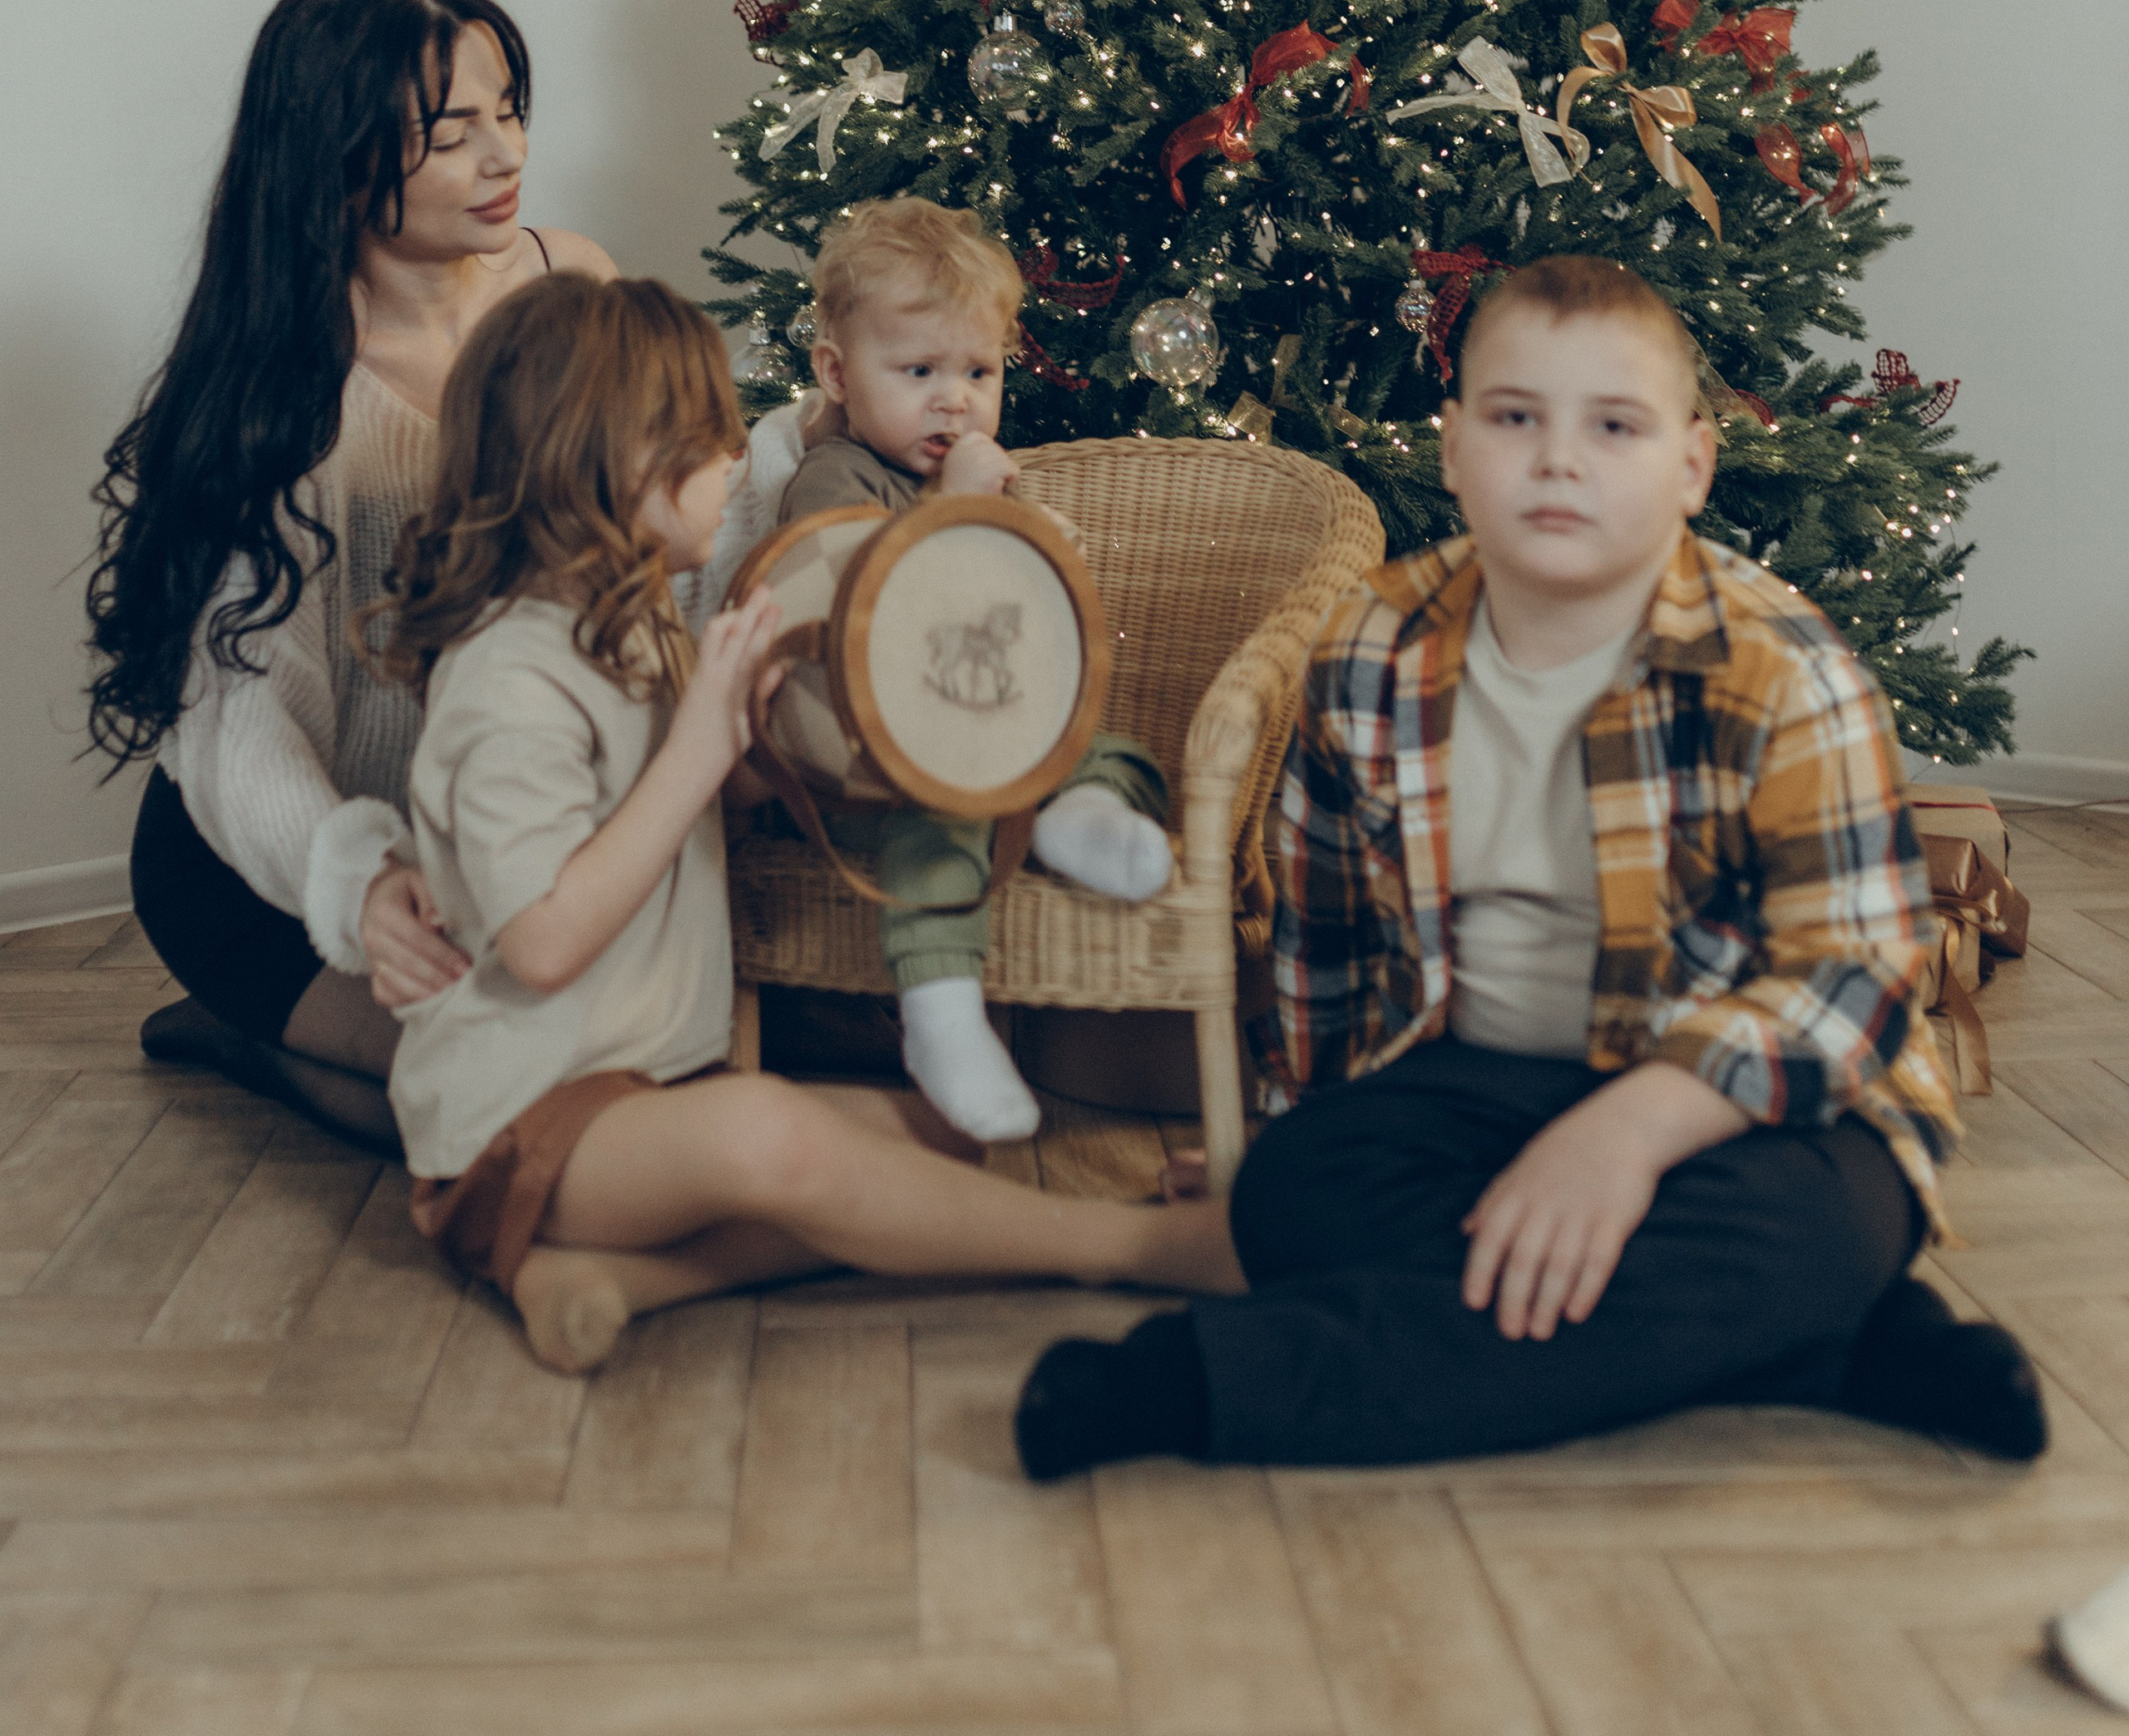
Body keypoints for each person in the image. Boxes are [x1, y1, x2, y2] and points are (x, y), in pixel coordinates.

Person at [1014, 254, 2047, 1478]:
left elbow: (1854, 984)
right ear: (1454, 451)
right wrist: (1287, 1126)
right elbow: (1324, 943)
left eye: (1614, 426)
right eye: (1516, 418)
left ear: (1691, 466)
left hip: (1733, 1106)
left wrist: (1624, 1139)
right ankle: (1823, 1350)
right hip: (1478, 1088)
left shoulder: (1782, 668)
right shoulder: (1372, 649)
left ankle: (1219, 1382)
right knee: (1295, 1196)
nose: (1560, 459)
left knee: (1833, 1221)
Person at [380, 271, 1242, 1376]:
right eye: (704, 443)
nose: (735, 462)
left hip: (651, 1088)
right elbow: (542, 942)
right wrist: (697, 752)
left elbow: (717, 804)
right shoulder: (508, 680)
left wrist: (765, 725)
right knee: (771, 1141)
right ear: (609, 466)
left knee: (949, 1138)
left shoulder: (627, 617)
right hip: (520, 1123)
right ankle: (1131, 1249)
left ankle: (610, 1276)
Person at [85, 0, 614, 1151]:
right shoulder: (287, 402)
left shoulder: (570, 284)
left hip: (488, 837)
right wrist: (360, 886)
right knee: (482, 1108)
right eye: (448, 132)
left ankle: (267, 1039)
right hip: (277, 863)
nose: (503, 157)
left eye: (508, 112)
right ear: (337, 156)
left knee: (601, 1067)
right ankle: (251, 1027)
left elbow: (685, 515)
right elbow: (244, 718)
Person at [741, 198, 1173, 1144]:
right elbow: (870, 627)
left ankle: (1073, 817)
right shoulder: (834, 479)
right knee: (940, 814)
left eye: (978, 371)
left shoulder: (973, 473)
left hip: (976, 734)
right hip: (865, 777)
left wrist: (1037, 557)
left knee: (1113, 753)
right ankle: (940, 1016)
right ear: (837, 374)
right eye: (919, 370)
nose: (955, 399)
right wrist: (954, 511)